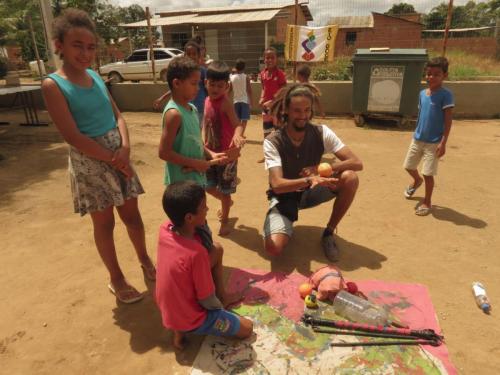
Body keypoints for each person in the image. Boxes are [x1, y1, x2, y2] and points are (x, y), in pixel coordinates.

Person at [42, 8, 155, 304]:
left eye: (90, 47)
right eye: (77, 45)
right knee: (105, 224)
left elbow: (117, 115)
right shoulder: (53, 85)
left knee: (133, 216)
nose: (85, 53)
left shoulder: (95, 75)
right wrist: (112, 157)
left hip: (119, 155)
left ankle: (145, 259)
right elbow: (73, 136)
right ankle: (116, 277)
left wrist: (126, 149)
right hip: (91, 162)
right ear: (59, 45)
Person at [263, 84, 363, 262]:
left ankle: (329, 233)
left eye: (307, 110)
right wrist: (310, 179)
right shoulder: (273, 141)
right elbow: (277, 185)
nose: (303, 116)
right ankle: (284, 221)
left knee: (350, 178)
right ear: (286, 110)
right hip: (287, 195)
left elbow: (356, 163)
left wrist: (323, 169)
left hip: (314, 190)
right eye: (297, 111)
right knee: (273, 248)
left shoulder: (322, 132)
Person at [156, 181, 253, 350]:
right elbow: (207, 299)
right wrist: (220, 311)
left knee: (216, 249)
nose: (207, 209)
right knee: (247, 328)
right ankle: (188, 326)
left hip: (169, 312)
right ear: (189, 217)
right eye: (204, 207)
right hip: (193, 318)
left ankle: (178, 332)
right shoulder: (196, 253)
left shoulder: (165, 229)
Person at [403, 56, 454, 216]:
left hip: (433, 143)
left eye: (436, 74)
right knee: (409, 166)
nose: (431, 77)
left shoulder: (446, 95)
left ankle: (427, 201)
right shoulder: (422, 94)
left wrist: (443, 142)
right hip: (417, 139)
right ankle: (417, 181)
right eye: (429, 73)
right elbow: (421, 115)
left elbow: (448, 120)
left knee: (428, 173)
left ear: (444, 76)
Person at [204, 61, 245, 235]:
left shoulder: (226, 103)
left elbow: (237, 124)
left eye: (219, 86)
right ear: (206, 83)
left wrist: (237, 135)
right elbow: (205, 124)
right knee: (207, 186)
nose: (215, 89)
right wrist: (204, 142)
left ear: (227, 86)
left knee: (225, 191)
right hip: (210, 154)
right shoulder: (206, 100)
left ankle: (225, 221)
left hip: (227, 156)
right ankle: (226, 201)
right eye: (212, 84)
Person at [153, 41, 207, 127]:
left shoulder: (203, 71)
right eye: (188, 54)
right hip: (185, 106)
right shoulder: (182, 73)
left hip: (199, 107)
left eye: (194, 54)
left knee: (196, 130)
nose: (191, 56)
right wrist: (162, 98)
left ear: (199, 56)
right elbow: (176, 88)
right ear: (185, 55)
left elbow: (208, 89)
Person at [258, 47, 287, 162]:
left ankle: (282, 154)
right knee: (266, 132)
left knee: (279, 131)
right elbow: (264, 88)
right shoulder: (263, 73)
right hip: (266, 108)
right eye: (267, 57)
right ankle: (267, 154)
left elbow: (284, 91)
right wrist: (261, 98)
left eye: (272, 57)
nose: (269, 60)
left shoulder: (280, 74)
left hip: (277, 108)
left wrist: (273, 101)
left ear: (276, 59)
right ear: (264, 59)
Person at [229, 58, 253, 134]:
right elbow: (249, 90)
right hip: (244, 101)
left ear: (236, 67)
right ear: (244, 67)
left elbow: (229, 90)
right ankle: (241, 134)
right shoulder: (246, 77)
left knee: (238, 120)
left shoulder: (232, 78)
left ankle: (238, 134)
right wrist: (251, 102)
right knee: (244, 120)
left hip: (236, 101)